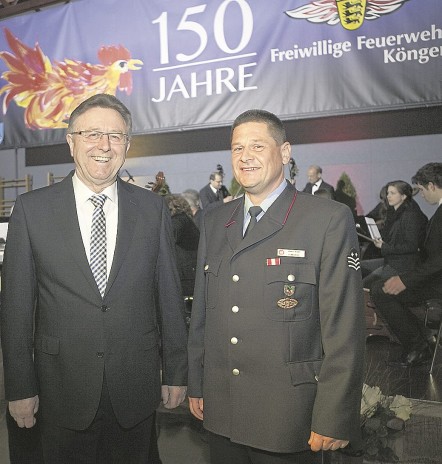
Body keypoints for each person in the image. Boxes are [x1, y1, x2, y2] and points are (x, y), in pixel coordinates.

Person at [0, 94, 188, 463]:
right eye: (92, 134)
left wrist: (176, 372)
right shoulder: (32, 210)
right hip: (60, 391)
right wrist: (19, 387)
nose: (104, 145)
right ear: (71, 142)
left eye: (115, 136)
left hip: (134, 390)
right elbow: (17, 308)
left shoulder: (152, 210)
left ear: (127, 145)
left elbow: (168, 294)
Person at [188, 109, 365, 464]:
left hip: (287, 415)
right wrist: (197, 382)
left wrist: (334, 414)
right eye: (237, 148)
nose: (245, 157)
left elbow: (343, 328)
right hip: (221, 408)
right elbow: (202, 314)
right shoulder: (214, 220)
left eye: (257, 145)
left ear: (285, 152)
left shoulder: (326, 219)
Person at [371, 163, 442, 368]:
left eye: (420, 190)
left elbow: (437, 260)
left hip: (436, 282)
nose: (420, 195)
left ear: (431, 185)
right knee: (382, 288)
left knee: (382, 290)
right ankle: (422, 341)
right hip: (432, 276)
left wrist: (405, 279)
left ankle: (418, 346)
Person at [362, 180, 427, 289]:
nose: (388, 196)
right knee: (359, 267)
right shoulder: (393, 213)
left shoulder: (411, 215)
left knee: (366, 284)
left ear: (403, 196)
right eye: (388, 193)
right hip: (392, 260)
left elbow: (411, 246)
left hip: (403, 265)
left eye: (393, 193)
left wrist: (384, 246)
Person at [164, 194, 200, 327]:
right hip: (191, 274)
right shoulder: (185, 220)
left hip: (185, 277)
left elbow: (168, 238)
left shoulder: (179, 220)